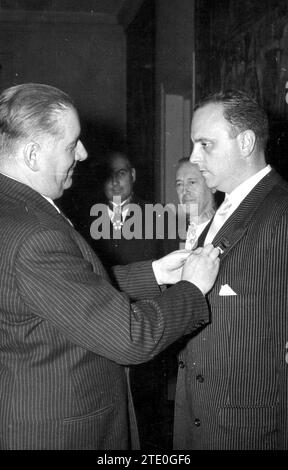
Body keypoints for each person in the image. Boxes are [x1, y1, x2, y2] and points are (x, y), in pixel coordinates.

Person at [0, 83, 220, 450]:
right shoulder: (35, 233)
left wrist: (154, 273)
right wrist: (192, 289)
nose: (84, 154)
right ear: (33, 155)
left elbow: (63, 291)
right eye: (72, 144)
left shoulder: (14, 210)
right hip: (63, 432)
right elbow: (131, 339)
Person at [173, 89, 288, 450]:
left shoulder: (280, 211)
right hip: (200, 414)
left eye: (205, 144)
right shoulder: (225, 210)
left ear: (246, 142)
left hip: (248, 427)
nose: (194, 157)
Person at [88, 151, 164, 273]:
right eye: (109, 175)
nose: (115, 182)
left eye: (121, 174)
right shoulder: (88, 219)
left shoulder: (159, 215)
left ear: (132, 175)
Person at [175, 157, 217, 250]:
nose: (184, 191)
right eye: (179, 184)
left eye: (192, 182)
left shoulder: (225, 229)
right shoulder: (168, 232)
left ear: (212, 186)